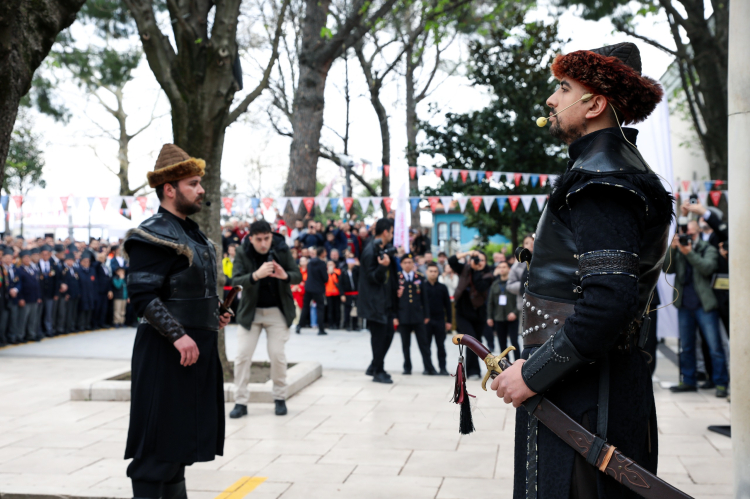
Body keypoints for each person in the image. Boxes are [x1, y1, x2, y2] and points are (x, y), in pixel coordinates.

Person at [489, 43, 673, 499]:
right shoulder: (604, 171)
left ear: (594, 105)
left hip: (588, 400)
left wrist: (532, 373)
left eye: (564, 88)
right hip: (585, 390)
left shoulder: (603, 180)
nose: (551, 99)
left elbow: (608, 303)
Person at [123, 144, 231, 499]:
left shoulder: (193, 234)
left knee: (179, 448)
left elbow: (185, 290)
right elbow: (142, 296)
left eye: (200, 183)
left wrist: (215, 312)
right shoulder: (152, 234)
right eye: (193, 184)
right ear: (169, 189)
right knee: (157, 449)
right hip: (165, 353)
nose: (201, 189)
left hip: (192, 352)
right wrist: (177, 335)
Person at [228, 219, 301, 419]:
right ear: (251, 238)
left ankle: (279, 398)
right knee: (242, 356)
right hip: (250, 313)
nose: (263, 243)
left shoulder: (281, 248)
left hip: (277, 311)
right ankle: (240, 402)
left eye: (266, 238)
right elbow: (235, 282)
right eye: (258, 239)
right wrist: (256, 275)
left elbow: (297, 276)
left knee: (277, 355)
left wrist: (285, 276)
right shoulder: (242, 251)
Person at [664, 220, 728, 397]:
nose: (688, 237)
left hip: (705, 305)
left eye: (691, 234)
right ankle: (688, 381)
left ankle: (721, 383)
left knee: (714, 347)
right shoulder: (679, 248)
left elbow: (707, 268)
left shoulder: (708, 249)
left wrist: (689, 253)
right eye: (685, 234)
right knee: (686, 347)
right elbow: (667, 269)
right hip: (684, 304)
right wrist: (673, 248)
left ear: (698, 232)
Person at [359, 218, 399, 384]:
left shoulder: (382, 248)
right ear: (385, 232)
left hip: (385, 301)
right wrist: (383, 267)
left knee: (388, 334)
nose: (392, 235)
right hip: (374, 303)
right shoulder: (370, 251)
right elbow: (372, 278)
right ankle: (378, 370)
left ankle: (374, 365)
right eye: (391, 232)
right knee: (379, 338)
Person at [448, 250, 494, 379]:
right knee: (471, 339)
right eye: (476, 259)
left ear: (486, 262)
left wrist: (477, 270)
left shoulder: (488, 275)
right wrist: (468, 253)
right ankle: (473, 371)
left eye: (482, 260)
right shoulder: (465, 269)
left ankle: (475, 370)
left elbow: (480, 287)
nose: (479, 262)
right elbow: (451, 260)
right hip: (463, 312)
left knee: (477, 342)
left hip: (479, 313)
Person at [394, 253, 435, 375]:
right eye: (405, 263)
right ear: (401, 264)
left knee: (424, 343)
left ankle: (429, 367)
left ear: (413, 264)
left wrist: (426, 315)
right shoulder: (398, 278)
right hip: (403, 316)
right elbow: (393, 299)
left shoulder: (419, 277)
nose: (407, 265)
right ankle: (407, 367)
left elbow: (424, 298)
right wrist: (395, 316)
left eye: (410, 262)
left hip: (418, 316)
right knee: (405, 344)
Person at [423, 261, 452, 375]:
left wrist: (449, 321)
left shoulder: (442, 287)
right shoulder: (423, 286)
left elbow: (448, 305)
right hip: (426, 320)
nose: (433, 273)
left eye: (435, 271)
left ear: (438, 272)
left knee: (441, 346)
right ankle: (428, 368)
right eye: (431, 271)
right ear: (427, 272)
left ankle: (443, 368)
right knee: (426, 346)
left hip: (440, 320)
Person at [487, 260, 519, 359]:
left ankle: (518, 363)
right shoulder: (495, 284)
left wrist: (515, 313)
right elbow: (490, 302)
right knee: (502, 343)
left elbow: (520, 300)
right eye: (500, 267)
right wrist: (489, 317)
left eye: (504, 267)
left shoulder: (514, 284)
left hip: (512, 317)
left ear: (509, 269)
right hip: (499, 317)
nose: (502, 269)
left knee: (514, 342)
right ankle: (505, 364)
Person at [296, 246, 328, 335]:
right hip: (318, 289)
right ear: (322, 253)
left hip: (308, 287)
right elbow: (325, 278)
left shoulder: (310, 263)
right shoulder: (322, 263)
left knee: (305, 307)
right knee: (320, 308)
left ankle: (299, 326)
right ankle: (321, 329)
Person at [18, 249, 42, 342]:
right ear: (21, 259)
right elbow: (19, 285)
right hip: (25, 298)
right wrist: (21, 298)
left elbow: (37, 284)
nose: (27, 259)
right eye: (25, 258)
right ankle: (21, 335)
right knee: (23, 318)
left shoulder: (33, 269)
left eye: (28, 257)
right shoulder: (19, 270)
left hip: (34, 297)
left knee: (33, 318)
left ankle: (31, 334)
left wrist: (38, 296)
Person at [38, 245, 58, 337]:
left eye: (47, 254)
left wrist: (56, 293)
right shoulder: (37, 264)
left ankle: (48, 329)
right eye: (43, 254)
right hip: (40, 293)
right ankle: (39, 330)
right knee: (39, 313)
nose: (45, 256)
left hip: (50, 292)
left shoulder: (53, 264)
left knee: (49, 313)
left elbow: (56, 280)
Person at [76, 250, 97, 332]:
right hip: (83, 292)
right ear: (81, 262)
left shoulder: (92, 270)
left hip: (90, 293)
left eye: (88, 261)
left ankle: (87, 324)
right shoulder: (78, 270)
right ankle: (81, 325)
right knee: (82, 310)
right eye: (85, 261)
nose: (86, 263)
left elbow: (94, 282)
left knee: (90, 309)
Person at [338, 254, 359, 331]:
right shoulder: (344, 271)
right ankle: (347, 325)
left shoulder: (356, 271)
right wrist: (342, 294)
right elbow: (340, 284)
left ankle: (355, 325)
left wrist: (358, 266)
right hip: (347, 294)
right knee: (347, 310)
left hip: (356, 293)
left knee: (355, 309)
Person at [61, 252, 80, 334]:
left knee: (73, 311)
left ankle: (72, 326)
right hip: (68, 294)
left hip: (75, 293)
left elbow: (77, 281)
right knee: (68, 312)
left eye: (72, 260)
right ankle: (67, 327)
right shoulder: (64, 270)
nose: (70, 262)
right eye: (69, 260)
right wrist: (66, 294)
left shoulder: (75, 269)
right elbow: (64, 282)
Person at [324, 260, 341, 329]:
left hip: (337, 293)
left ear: (334, 265)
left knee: (337, 309)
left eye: (332, 264)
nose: (330, 266)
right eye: (329, 264)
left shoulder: (338, 271)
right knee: (330, 309)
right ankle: (330, 324)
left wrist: (333, 273)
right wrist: (327, 274)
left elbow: (340, 280)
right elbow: (324, 281)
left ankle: (337, 324)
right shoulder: (325, 272)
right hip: (328, 293)